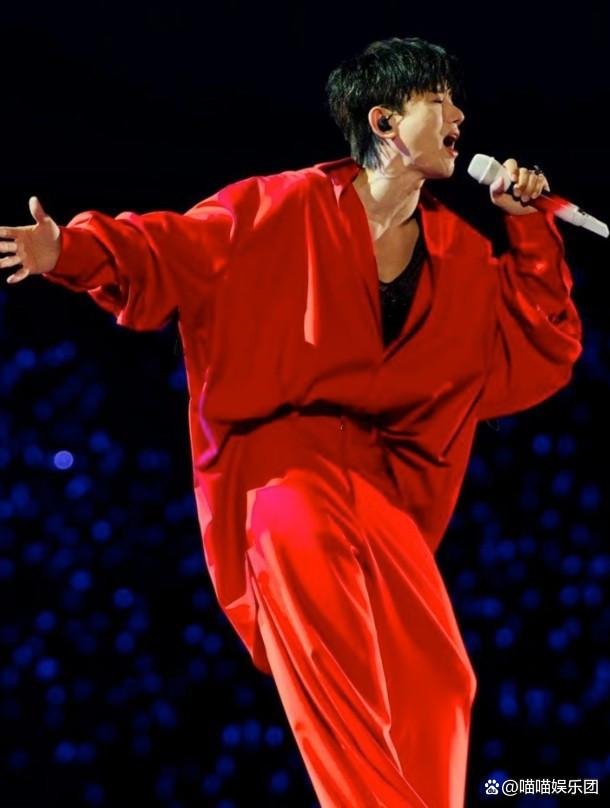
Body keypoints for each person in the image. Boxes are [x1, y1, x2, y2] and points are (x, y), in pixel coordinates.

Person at [1, 36, 582, 808]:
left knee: (441, 676)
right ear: (384, 121)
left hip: (381, 480)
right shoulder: (278, 207)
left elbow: (540, 344)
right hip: (281, 466)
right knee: (330, 650)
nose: (459, 116)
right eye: (438, 100)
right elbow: (166, 247)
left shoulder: (463, 253)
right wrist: (66, 251)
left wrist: (530, 228)